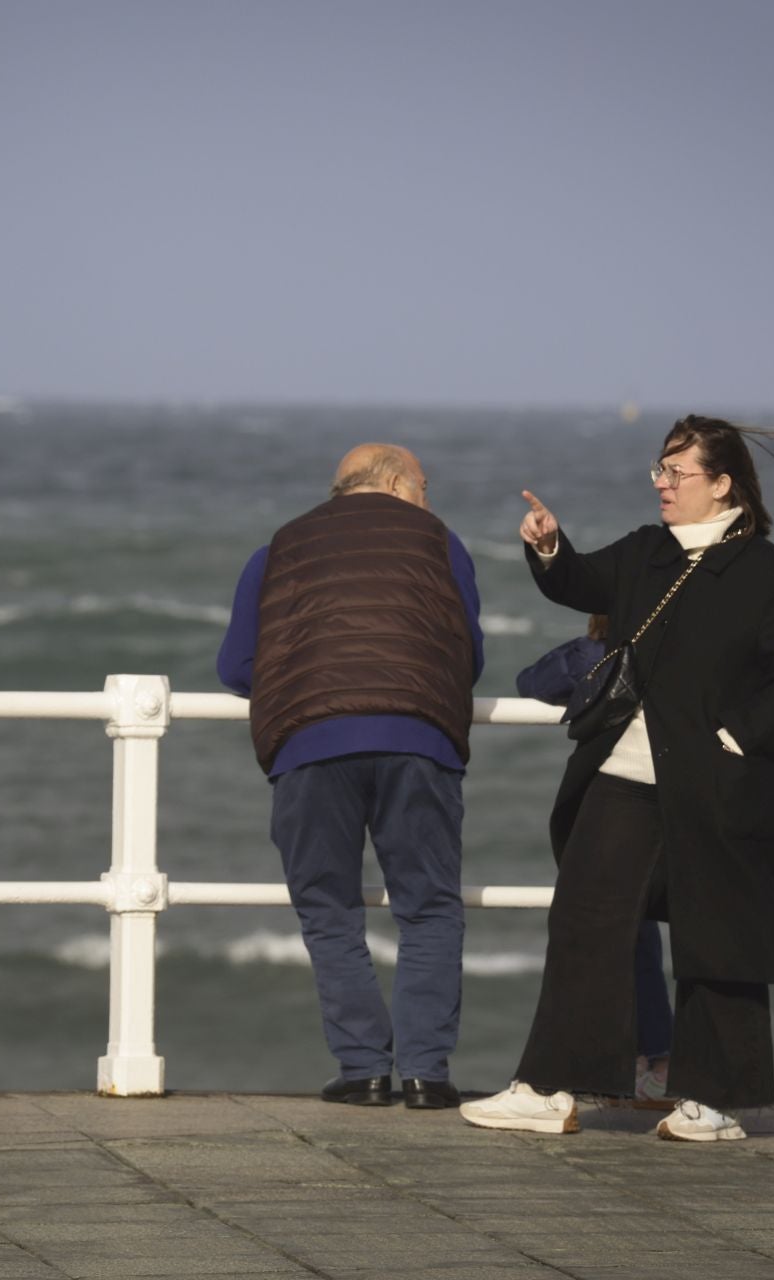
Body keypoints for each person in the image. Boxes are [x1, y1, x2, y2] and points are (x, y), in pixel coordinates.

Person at [461, 415, 774, 1142]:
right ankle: (549, 1089)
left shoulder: (766, 571)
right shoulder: (647, 550)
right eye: (658, 470)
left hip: (720, 784)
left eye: (676, 473)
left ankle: (709, 1104)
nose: (661, 484)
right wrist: (547, 544)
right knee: (584, 921)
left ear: (722, 485)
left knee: (716, 936)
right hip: (623, 774)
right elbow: (581, 581)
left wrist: (736, 740)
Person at [217, 444, 484, 1110]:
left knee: (329, 910)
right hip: (417, 737)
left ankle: (364, 1069)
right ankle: (426, 1074)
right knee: (428, 908)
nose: (428, 497)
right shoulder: (440, 544)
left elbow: (235, 665)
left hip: (311, 741)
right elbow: (468, 656)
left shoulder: (278, 547)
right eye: (424, 484)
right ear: (395, 482)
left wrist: (308, 688)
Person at [514, 613, 674, 1106]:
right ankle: (663, 1060)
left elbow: (532, 681)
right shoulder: (677, 650)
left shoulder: (596, 655)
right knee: (654, 927)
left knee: (599, 932)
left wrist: (592, 642)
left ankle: (598, 1070)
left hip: (616, 805)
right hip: (681, 799)